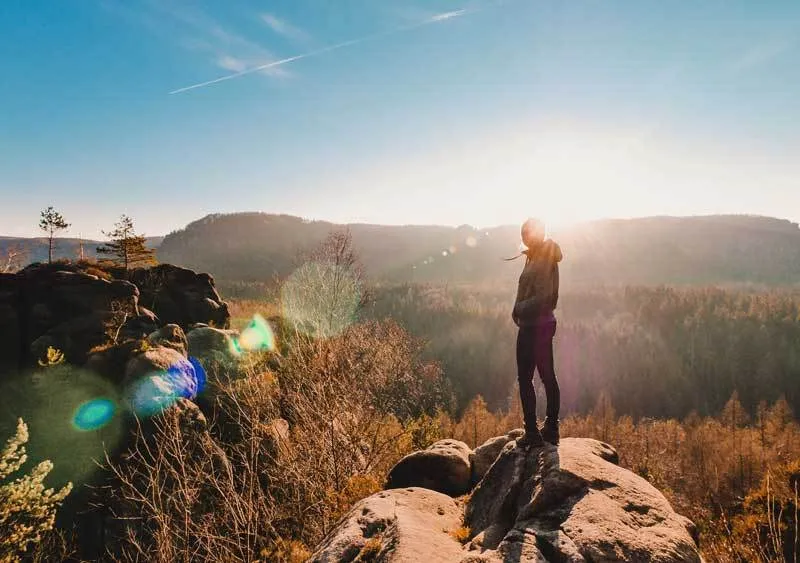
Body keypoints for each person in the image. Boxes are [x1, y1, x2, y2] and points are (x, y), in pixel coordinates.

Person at [511, 218, 563, 447]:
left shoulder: (542, 258)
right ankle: (548, 429)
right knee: (545, 376)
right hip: (536, 324)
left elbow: (542, 297)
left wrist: (519, 308)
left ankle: (535, 432)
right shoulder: (537, 254)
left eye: (526, 233)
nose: (524, 237)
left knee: (529, 377)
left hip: (535, 325)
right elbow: (528, 290)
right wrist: (517, 308)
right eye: (523, 233)